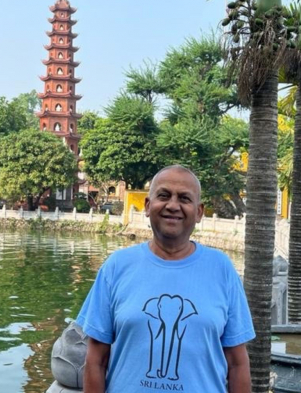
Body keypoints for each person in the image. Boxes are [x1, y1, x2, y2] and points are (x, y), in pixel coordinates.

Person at [77, 165, 254, 393]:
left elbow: (237, 363)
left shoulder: (222, 269)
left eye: (184, 198)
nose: (172, 205)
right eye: (163, 195)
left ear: (199, 212)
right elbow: (95, 360)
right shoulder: (117, 267)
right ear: (148, 206)